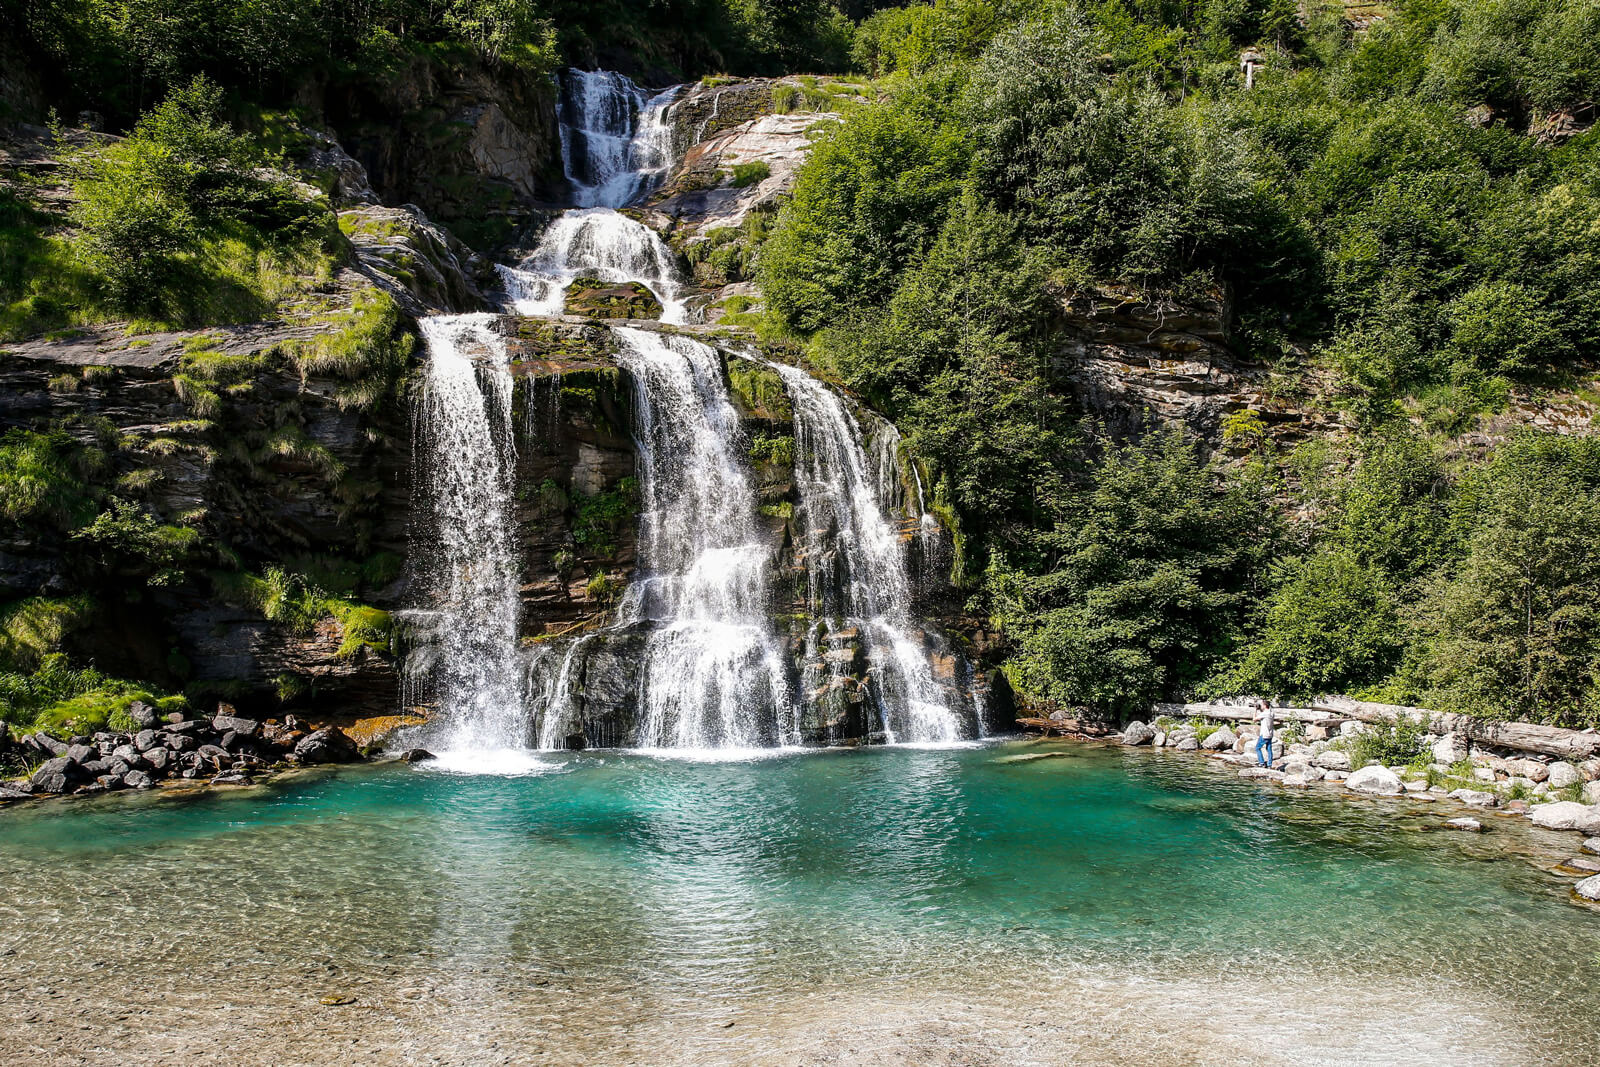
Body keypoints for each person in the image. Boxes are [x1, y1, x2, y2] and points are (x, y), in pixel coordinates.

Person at [1254, 699, 1276, 767]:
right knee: (1269, 749)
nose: (1261, 706)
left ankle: (1262, 763)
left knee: (1257, 748)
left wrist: (1255, 710)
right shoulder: (1271, 713)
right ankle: (1269, 764)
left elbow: (1254, 719)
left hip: (1264, 734)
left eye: (1262, 705)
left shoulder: (1264, 713)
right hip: (1270, 734)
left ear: (1265, 705)